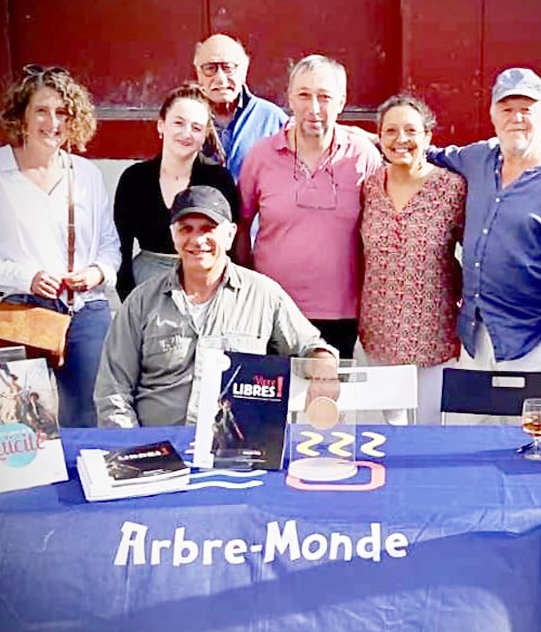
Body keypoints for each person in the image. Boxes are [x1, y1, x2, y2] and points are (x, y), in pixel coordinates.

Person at [94, 185, 337, 427]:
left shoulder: (264, 295)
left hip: (238, 453)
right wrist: (137, 448)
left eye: (208, 229)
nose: (197, 240)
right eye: (185, 229)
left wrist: (324, 366)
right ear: (173, 236)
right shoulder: (141, 302)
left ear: (230, 234)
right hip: (158, 450)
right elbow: (112, 390)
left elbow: (310, 346)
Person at [426, 67, 541, 372]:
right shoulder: (478, 158)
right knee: (463, 421)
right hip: (474, 339)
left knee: (532, 422)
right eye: (507, 109)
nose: (516, 118)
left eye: (526, 110)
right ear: (493, 115)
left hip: (533, 347)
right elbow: (422, 153)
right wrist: (355, 135)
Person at [237, 54, 382, 357]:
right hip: (271, 306)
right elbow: (241, 222)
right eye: (304, 95)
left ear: (342, 101)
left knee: (325, 401)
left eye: (324, 97)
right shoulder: (261, 156)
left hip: (339, 310)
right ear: (290, 97)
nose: (313, 108)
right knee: (273, 401)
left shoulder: (363, 156)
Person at [0, 65, 120, 427]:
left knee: (87, 415)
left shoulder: (86, 174)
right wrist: (27, 277)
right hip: (19, 313)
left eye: (62, 113)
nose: (52, 122)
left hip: (84, 313)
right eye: (42, 110)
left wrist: (96, 272)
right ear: (22, 113)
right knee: (19, 420)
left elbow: (110, 246)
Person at [359, 94, 466, 424]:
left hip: (432, 334)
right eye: (390, 131)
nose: (400, 140)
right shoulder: (370, 186)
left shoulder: (452, 189)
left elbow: (475, 253)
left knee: (428, 435)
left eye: (410, 131)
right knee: (382, 441)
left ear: (428, 137)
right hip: (377, 333)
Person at [114, 83, 239, 300]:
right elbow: (120, 248)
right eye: (178, 123)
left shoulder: (218, 180)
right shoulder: (134, 179)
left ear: (205, 134)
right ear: (161, 125)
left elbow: (232, 247)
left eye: (196, 127)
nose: (186, 134)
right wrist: (130, 300)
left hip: (205, 284)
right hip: (147, 285)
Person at [194, 33, 287, 182]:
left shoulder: (273, 119)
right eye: (210, 68)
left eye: (228, 68)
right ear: (198, 74)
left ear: (244, 71)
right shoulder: (185, 117)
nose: (220, 78)